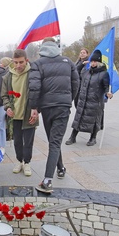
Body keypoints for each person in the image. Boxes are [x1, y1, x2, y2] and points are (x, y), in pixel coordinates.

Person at [28, 37, 79, 193]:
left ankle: (47, 181)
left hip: (48, 107)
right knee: (54, 141)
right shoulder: (68, 62)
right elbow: (76, 83)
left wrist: (34, 107)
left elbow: (34, 87)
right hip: (63, 106)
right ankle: (61, 167)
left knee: (54, 142)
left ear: (42, 48)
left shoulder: (37, 64)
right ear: (56, 46)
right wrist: (67, 99)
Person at [1, 49, 38, 176]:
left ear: (26, 61)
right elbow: (4, 95)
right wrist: (7, 107)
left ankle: (27, 163)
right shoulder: (8, 76)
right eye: (15, 62)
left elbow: (38, 93)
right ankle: (19, 160)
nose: (18, 65)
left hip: (29, 114)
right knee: (17, 141)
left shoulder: (33, 74)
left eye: (21, 62)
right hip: (14, 115)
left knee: (28, 141)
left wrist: (36, 109)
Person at [65, 50, 112, 146]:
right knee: (79, 118)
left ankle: (93, 138)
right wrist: (82, 64)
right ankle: (73, 137)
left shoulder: (104, 74)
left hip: (95, 101)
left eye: (95, 61)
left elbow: (106, 86)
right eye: (92, 61)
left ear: (99, 62)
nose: (93, 63)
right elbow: (76, 71)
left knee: (94, 120)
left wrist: (108, 93)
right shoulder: (86, 72)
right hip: (83, 100)